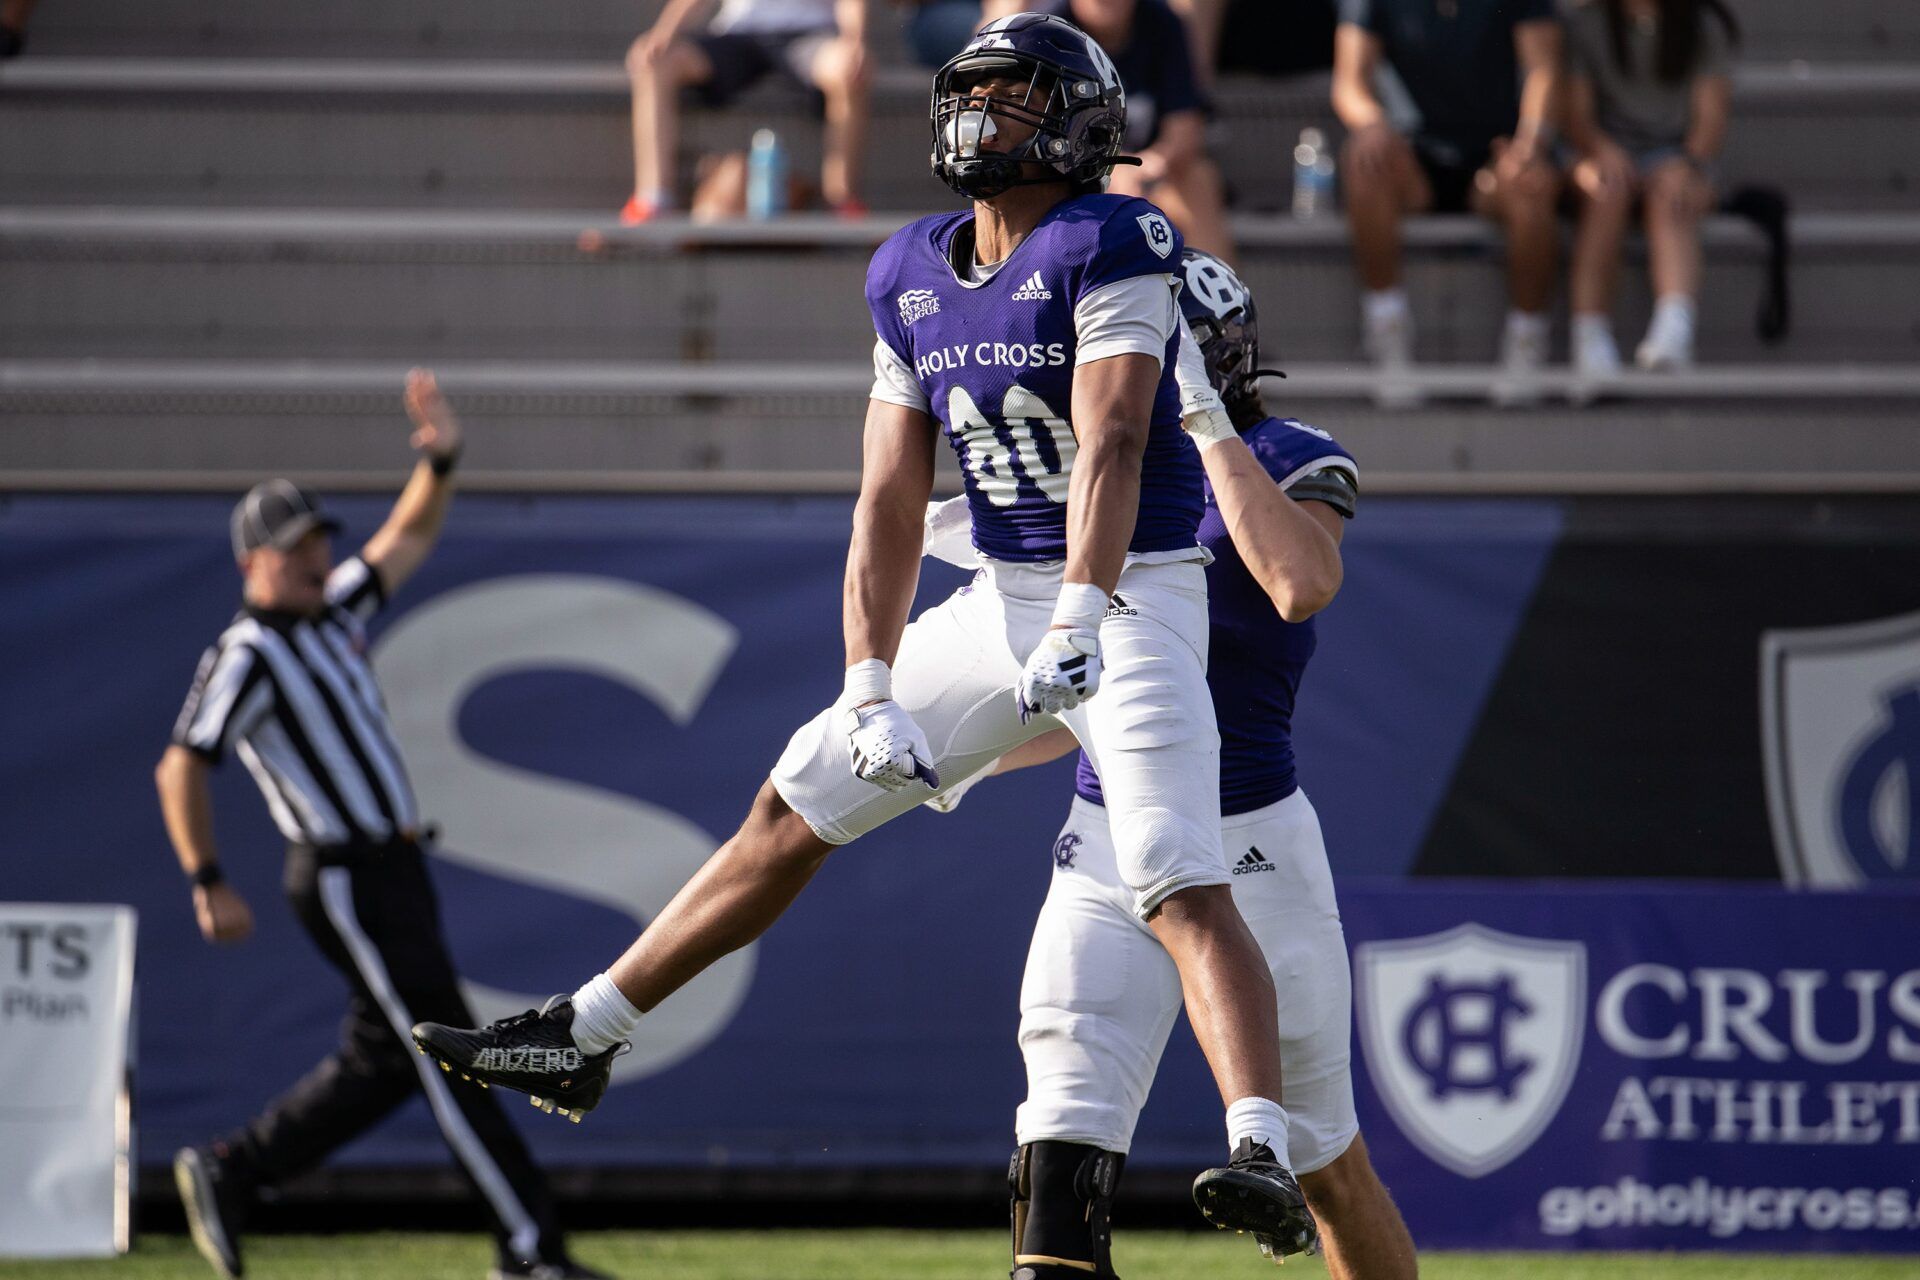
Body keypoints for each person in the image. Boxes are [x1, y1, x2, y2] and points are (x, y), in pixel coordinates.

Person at [415, 12, 1317, 1262]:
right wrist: (870, 677)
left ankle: (1259, 1143)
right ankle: (586, 1033)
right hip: (997, 591)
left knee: (1172, 873)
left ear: (1074, 120)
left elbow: (1110, 442)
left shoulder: (1113, 237)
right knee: (791, 802)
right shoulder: (907, 269)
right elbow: (889, 497)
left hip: (1131, 593)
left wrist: (1078, 613)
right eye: (974, 92)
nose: (977, 116)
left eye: (1010, 98)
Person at [925, 250, 1418, 1279]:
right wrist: (959, 756)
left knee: (1326, 1160)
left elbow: (1297, 581)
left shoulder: (1285, 451)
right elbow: (1085, 693)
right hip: (1109, 841)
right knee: (1058, 1145)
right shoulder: (1085, 473)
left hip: (1252, 844)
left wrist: (1206, 429)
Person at [154, 374, 604, 1280]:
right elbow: (181, 761)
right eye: (296, 549)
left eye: (320, 541)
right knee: (453, 1055)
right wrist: (206, 877)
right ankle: (528, 1248)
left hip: (391, 869)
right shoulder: (249, 653)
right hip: (344, 872)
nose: (317, 559)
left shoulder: (335, 613)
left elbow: (408, 537)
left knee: (393, 1059)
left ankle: (233, 1169)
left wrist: (439, 459)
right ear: (253, 563)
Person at [1332, 0, 1563, 406]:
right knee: (1363, 162)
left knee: (1533, 184)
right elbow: (1350, 83)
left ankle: (1526, 342)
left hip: (1497, 156)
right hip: (1413, 156)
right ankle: (1388, 336)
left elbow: (1543, 70)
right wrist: (1372, 125)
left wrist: (1528, 146)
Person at [1564, 0, 1736, 378]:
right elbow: (1576, 114)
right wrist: (1601, 151)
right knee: (1605, 190)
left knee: (1672, 195)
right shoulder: (1586, 24)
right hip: (1605, 153)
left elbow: (1711, 115)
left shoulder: (1704, 25)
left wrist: (1687, 163)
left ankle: (1674, 329)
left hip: (1676, 154)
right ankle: (1589, 337)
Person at [620, 0, 871, 224]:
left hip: (810, 36)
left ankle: (841, 199)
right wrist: (662, 35)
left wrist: (855, 40)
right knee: (655, 64)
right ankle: (654, 199)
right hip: (737, 35)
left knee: (848, 68)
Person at [1033, 0, 1236, 259]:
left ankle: (1214, 292)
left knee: (1199, 179)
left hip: (1150, 173)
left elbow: (1184, 127)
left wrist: (1147, 164)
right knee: (1116, 194)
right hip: (1071, 177)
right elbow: (1039, 137)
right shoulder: (1048, 32)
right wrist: (1109, 170)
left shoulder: (1162, 21)